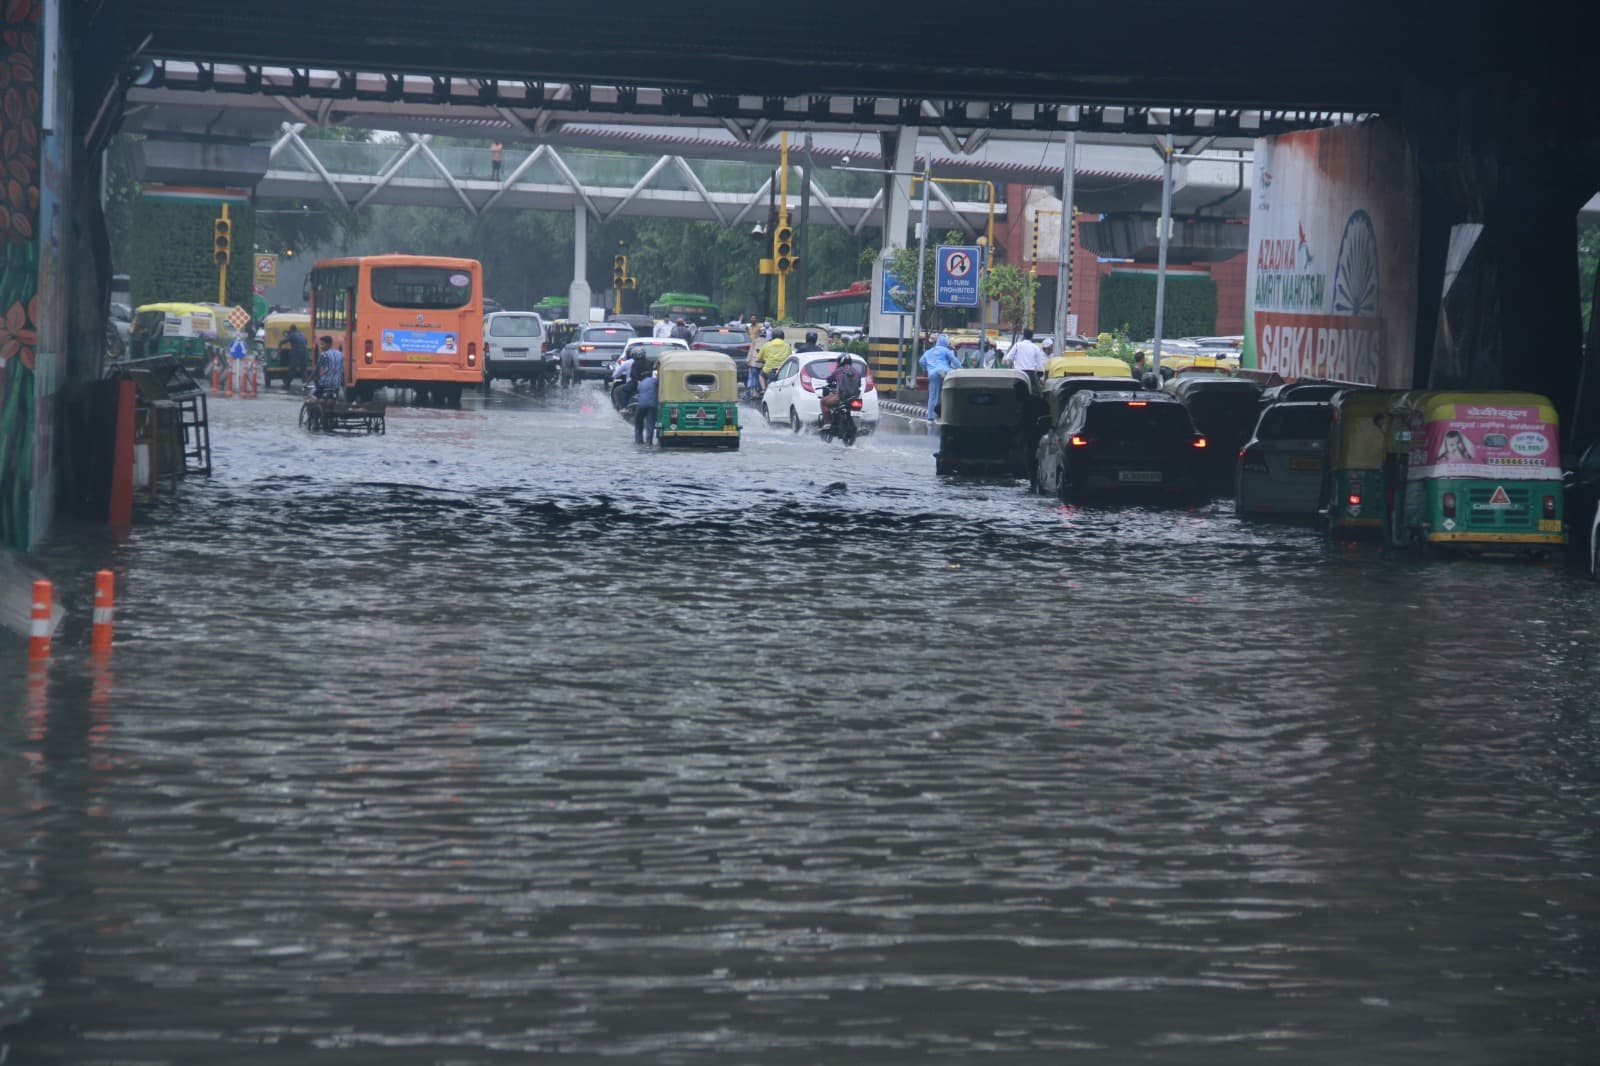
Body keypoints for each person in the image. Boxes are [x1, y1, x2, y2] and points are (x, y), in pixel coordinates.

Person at [919, 332, 962, 423]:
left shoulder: (929, 352)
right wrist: (961, 370)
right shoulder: (946, 350)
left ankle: (931, 418)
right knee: (947, 393)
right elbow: (955, 361)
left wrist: (927, 368)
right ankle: (947, 414)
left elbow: (921, 362)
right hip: (945, 372)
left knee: (933, 396)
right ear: (946, 342)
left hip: (933, 374)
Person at [820, 354, 863, 430]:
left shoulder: (838, 370)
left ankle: (828, 423)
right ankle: (857, 426)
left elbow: (829, 380)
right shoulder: (857, 372)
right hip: (855, 397)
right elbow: (859, 384)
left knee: (823, 401)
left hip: (841, 397)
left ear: (841, 362)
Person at [634, 368, 660, 445]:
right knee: (650, 423)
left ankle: (639, 440)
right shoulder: (655, 381)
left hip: (641, 405)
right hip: (652, 405)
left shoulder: (641, 383)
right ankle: (649, 441)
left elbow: (639, 392)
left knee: (638, 422)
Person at [227, 331, 250, 395]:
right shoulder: (240, 343)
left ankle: (239, 386)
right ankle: (239, 386)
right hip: (238, 355)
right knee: (239, 373)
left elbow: (231, 348)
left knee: (240, 373)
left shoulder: (241, 343)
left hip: (239, 355)